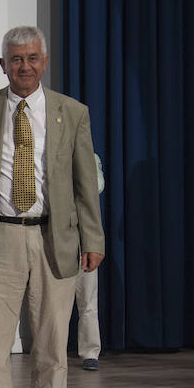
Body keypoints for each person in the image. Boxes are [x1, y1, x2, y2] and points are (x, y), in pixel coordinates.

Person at [0, 26, 104, 388]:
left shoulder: (72, 112)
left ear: (44, 62)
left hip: (55, 237)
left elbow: (85, 183)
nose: (24, 66)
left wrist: (93, 238)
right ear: (2, 64)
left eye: (31, 58)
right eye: (15, 59)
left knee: (50, 343)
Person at [77, 152, 106, 371]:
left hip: (81, 236)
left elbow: (97, 186)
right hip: (52, 235)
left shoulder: (90, 157)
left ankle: (90, 351)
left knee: (87, 298)